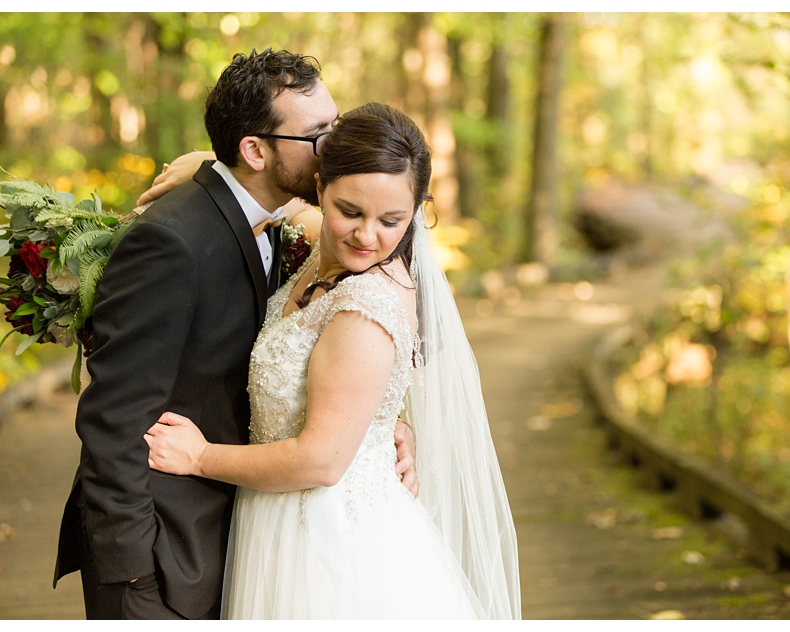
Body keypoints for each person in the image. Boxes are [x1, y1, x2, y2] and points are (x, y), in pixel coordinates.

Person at [53, 49, 417, 620]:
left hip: (250, 543)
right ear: (254, 150)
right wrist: (128, 576)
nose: (335, 147)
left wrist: (377, 418)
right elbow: (113, 418)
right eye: (319, 134)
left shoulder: (300, 228)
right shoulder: (170, 241)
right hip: (164, 557)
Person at [142, 102, 520, 619]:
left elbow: (320, 461)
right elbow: (284, 202)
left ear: (416, 212)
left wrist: (199, 457)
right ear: (319, 189)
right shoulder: (324, 247)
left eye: (393, 220)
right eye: (349, 212)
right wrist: (211, 167)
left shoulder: (366, 305)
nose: (367, 237)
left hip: (330, 538)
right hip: (280, 519)